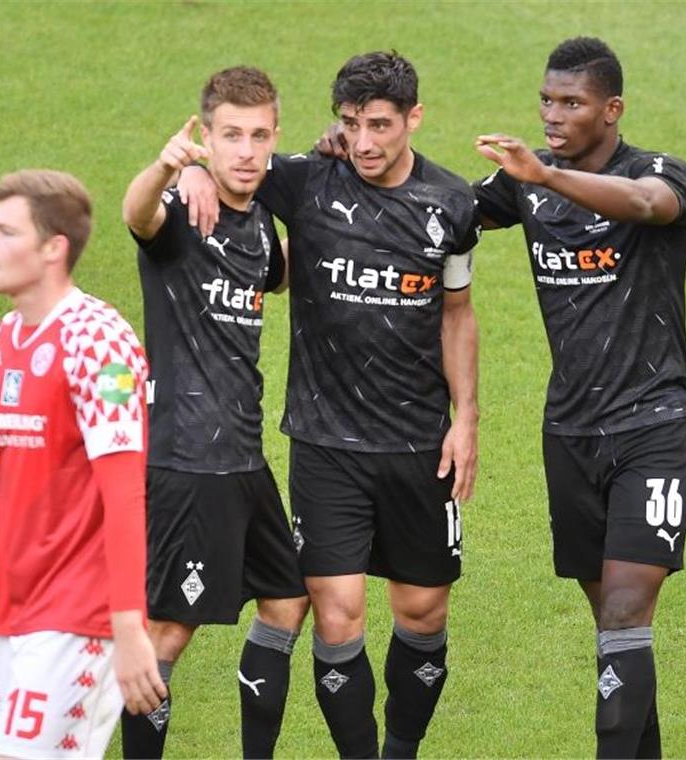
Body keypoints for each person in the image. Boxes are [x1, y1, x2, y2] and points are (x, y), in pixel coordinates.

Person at [181, 50, 481, 759]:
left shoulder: (451, 204)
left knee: (422, 611)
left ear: (414, 118)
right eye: (350, 124)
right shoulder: (308, 180)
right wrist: (193, 169)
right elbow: (235, 164)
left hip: (419, 443)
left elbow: (458, 313)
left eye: (380, 124)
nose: (365, 142)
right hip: (326, 441)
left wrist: (466, 416)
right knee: (338, 616)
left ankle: (401, 749)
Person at [473, 37, 686, 758]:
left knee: (631, 607)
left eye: (571, 103)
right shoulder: (526, 181)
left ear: (613, 109)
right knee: (617, 633)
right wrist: (346, 163)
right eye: (546, 99)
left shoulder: (658, 171)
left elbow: (644, 205)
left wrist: (544, 176)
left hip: (655, 422)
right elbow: (438, 212)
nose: (553, 113)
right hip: (570, 430)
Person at [0, 169, 166, 759]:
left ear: (53, 247)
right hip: (17, 614)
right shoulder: (0, 342)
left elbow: (124, 491)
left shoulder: (99, 343)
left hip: (82, 616)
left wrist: (129, 623)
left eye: (4, 232)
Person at [118, 66, 309, 760]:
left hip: (243, 459)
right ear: (207, 136)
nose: (247, 151)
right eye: (231, 136)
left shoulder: (258, 221)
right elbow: (137, 216)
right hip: (188, 459)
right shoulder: (180, 210)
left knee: (287, 600)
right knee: (167, 634)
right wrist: (167, 168)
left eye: (260, 136)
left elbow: (281, 272)